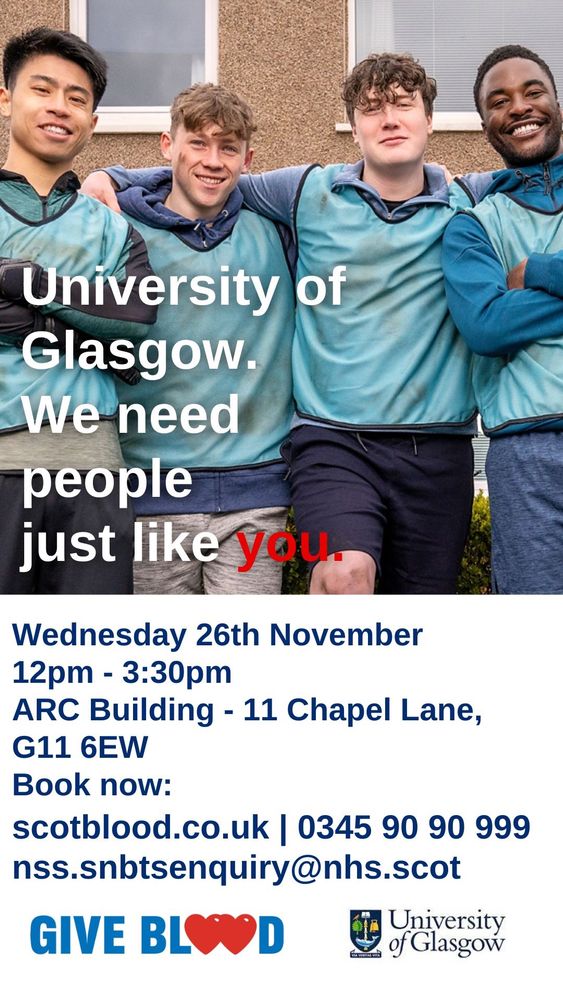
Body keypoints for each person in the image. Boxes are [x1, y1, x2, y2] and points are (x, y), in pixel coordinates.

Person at [83, 53, 483, 595]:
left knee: (421, 613)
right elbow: (197, 178)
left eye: (403, 106)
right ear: (354, 127)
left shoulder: (470, 200)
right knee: (342, 578)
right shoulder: (304, 195)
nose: (388, 119)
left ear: (430, 120)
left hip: (429, 448)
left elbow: (533, 178)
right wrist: (108, 175)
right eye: (371, 109)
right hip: (325, 444)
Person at [86, 83, 295, 595]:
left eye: (228, 147)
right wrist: (103, 176)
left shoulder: (278, 227)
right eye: (197, 143)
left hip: (256, 495)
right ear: (167, 145)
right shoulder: (118, 229)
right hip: (151, 493)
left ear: (249, 159)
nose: (213, 160)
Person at [0, 27, 156, 594]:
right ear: (7, 98)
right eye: (43, 89)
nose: (60, 107)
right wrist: (80, 313)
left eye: (78, 98)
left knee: (87, 662)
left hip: (93, 478)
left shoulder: (115, 228)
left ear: (92, 121)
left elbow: (135, 334)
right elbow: (106, 328)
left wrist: (30, 292)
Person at [443, 44, 563, 594]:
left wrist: (536, 270)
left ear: (556, 102)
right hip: (527, 454)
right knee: (535, 644)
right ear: (485, 125)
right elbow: (486, 327)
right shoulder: (472, 224)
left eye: (532, 91)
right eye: (500, 100)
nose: (519, 107)